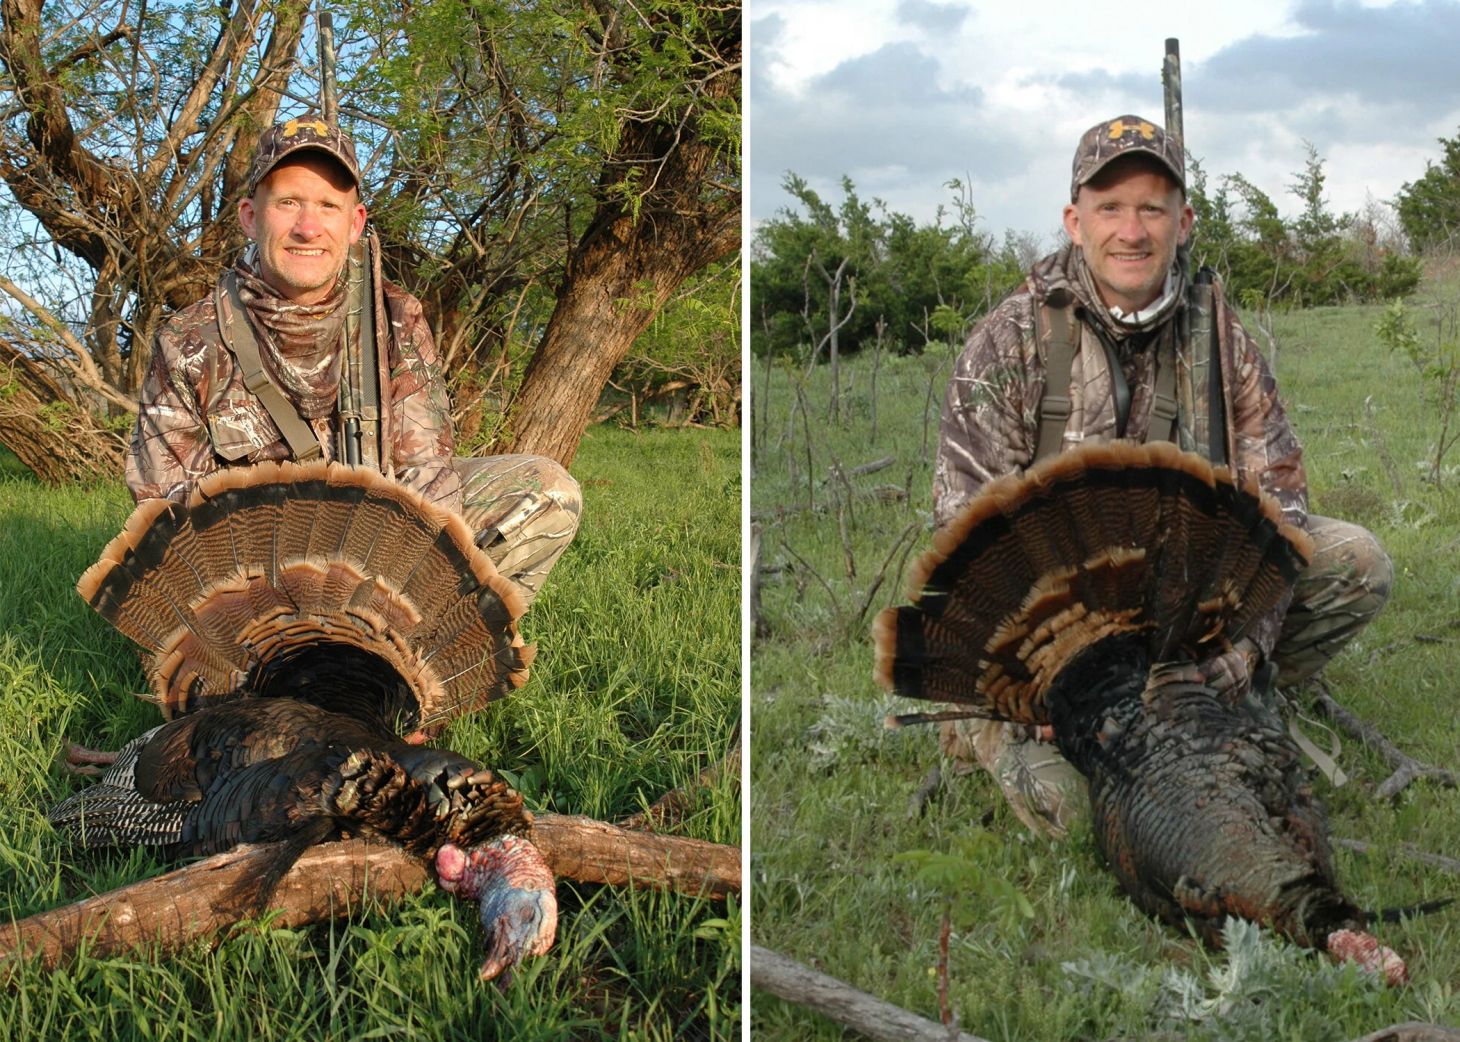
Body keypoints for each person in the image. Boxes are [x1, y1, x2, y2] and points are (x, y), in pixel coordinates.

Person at [933, 115, 1392, 837]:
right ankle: (986, 732)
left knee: (1357, 564)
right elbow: (964, 542)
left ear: (1184, 221)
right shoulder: (1011, 340)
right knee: (1094, 818)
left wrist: (1243, 650)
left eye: (1152, 207)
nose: (1132, 230)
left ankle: (1217, 699)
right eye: (1110, 207)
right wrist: (1050, 686)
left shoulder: (1219, 335)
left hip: (1182, 614)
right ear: (1073, 219)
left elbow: (1282, 507)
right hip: (1052, 646)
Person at [126, 115, 580, 607]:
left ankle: (420, 651)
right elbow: (165, 512)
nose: (308, 227)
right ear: (249, 216)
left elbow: (426, 474)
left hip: (386, 548)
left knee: (548, 492)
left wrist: (399, 585)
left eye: (328, 206)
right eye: (288, 203)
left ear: (355, 223)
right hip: (258, 576)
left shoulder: (396, 317)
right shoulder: (188, 340)